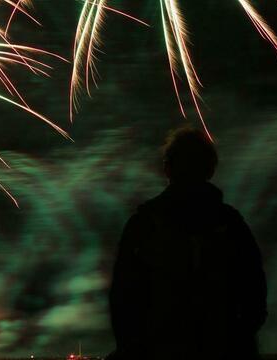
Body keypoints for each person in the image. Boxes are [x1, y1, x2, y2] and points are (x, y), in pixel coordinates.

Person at [108, 127, 267, 360]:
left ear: (167, 169)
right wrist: (238, 339)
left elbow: (122, 297)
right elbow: (255, 293)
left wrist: (133, 345)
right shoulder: (230, 224)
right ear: (210, 169)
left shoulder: (144, 224)